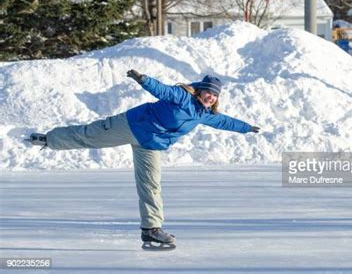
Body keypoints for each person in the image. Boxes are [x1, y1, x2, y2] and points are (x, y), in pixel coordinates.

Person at [26, 69, 260, 249]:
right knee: (89, 135)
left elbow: (225, 122)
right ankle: (48, 139)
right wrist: (143, 79)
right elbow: (163, 90)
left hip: (150, 144)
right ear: (200, 90)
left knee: (151, 185)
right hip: (132, 126)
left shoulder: (204, 115)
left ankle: (151, 229)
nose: (211, 97)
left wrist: (246, 127)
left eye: (215, 95)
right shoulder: (182, 97)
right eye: (209, 92)